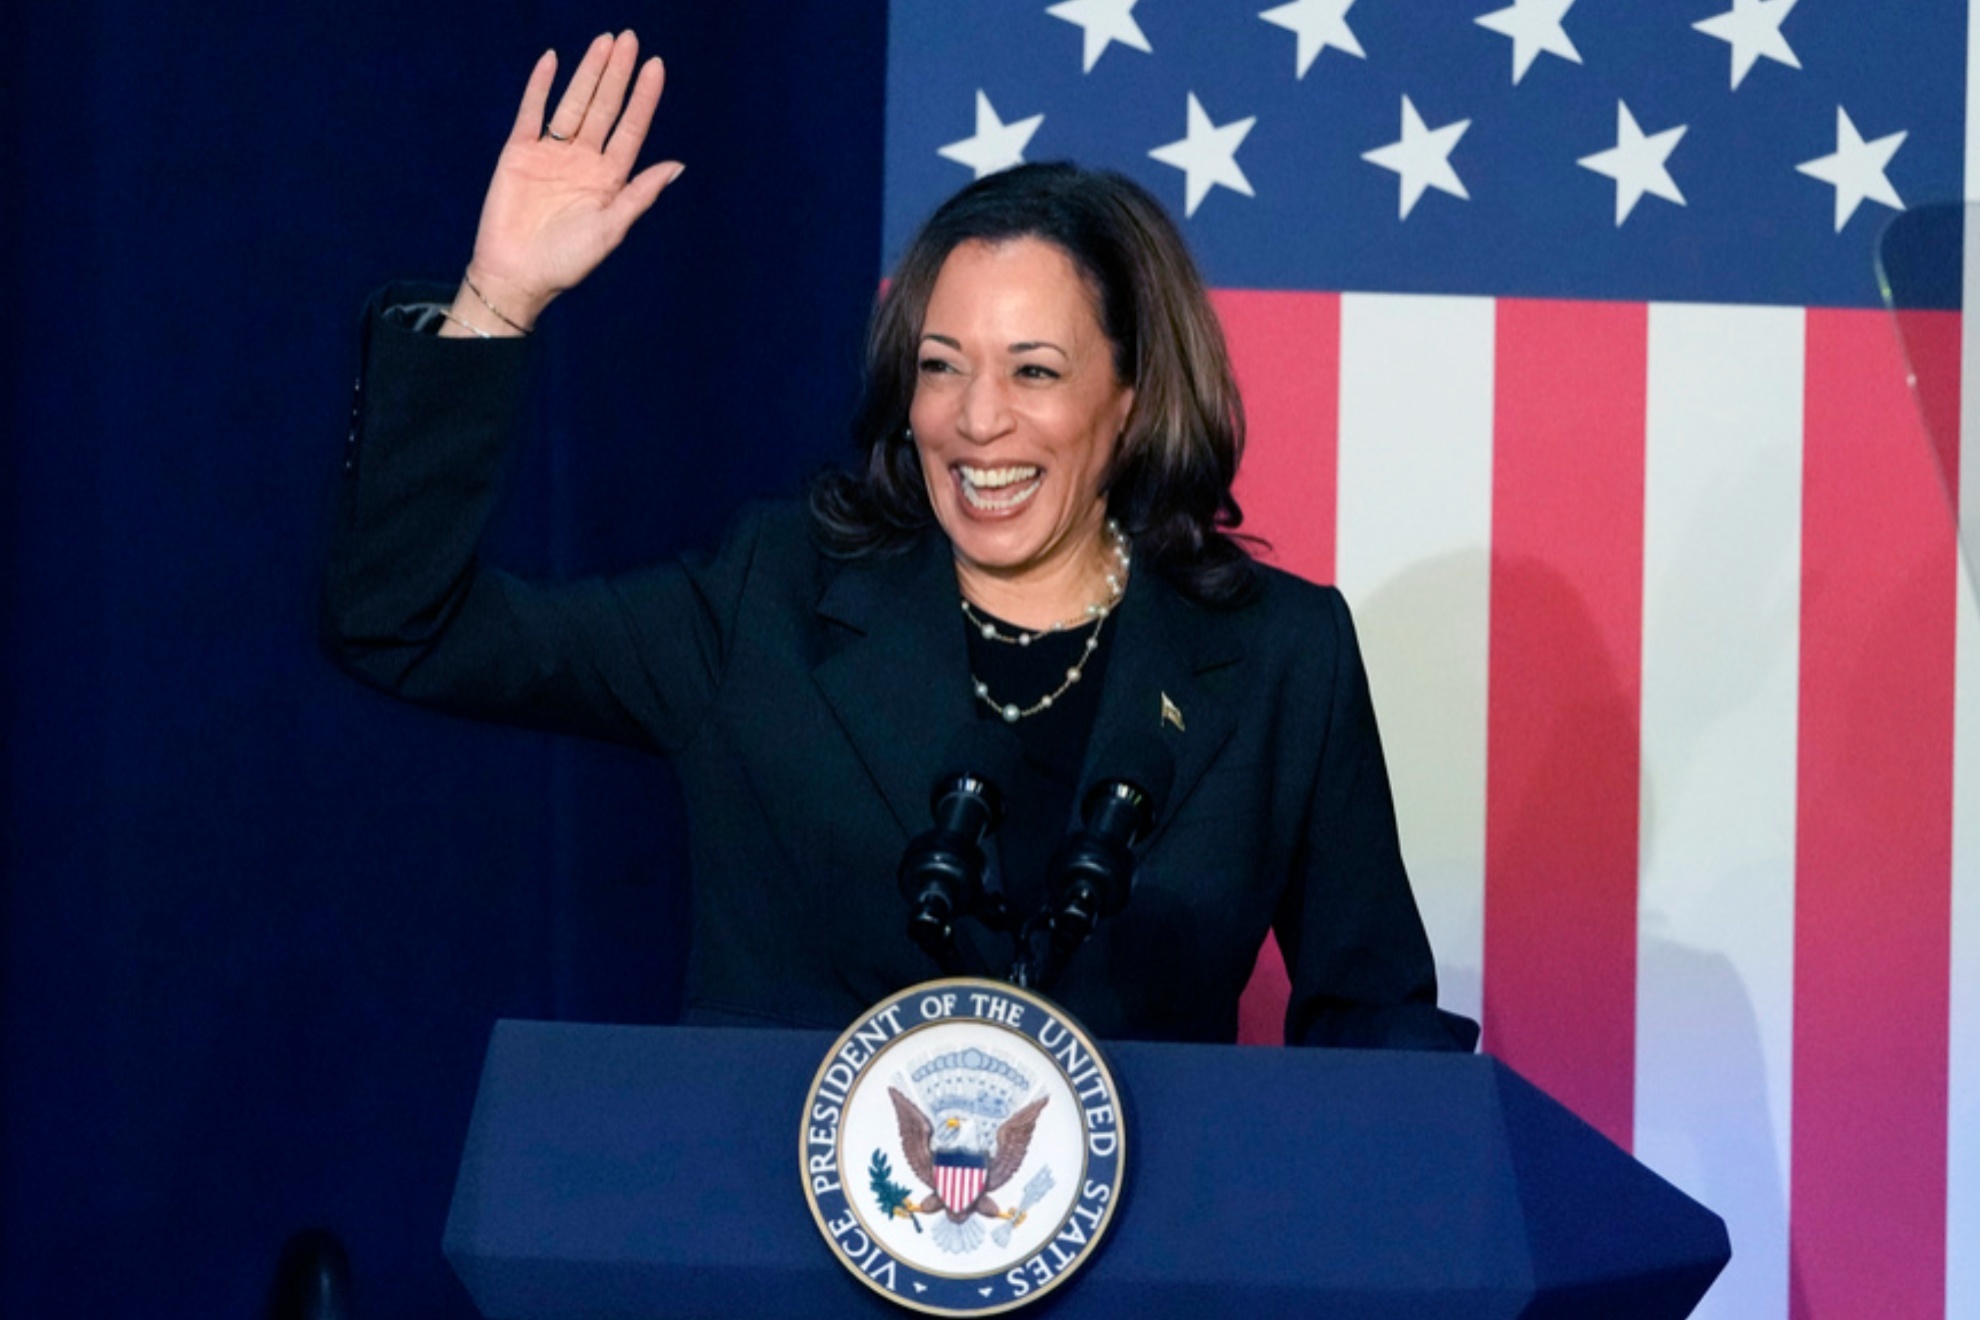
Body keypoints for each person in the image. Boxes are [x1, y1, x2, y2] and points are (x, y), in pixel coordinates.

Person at [323, 31, 1477, 1051]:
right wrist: (494, 301)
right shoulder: (766, 600)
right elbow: (404, 625)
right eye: (941, 367)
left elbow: (1370, 1013)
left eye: (1035, 371)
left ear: (1130, 399)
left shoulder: (1278, 654)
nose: (977, 420)